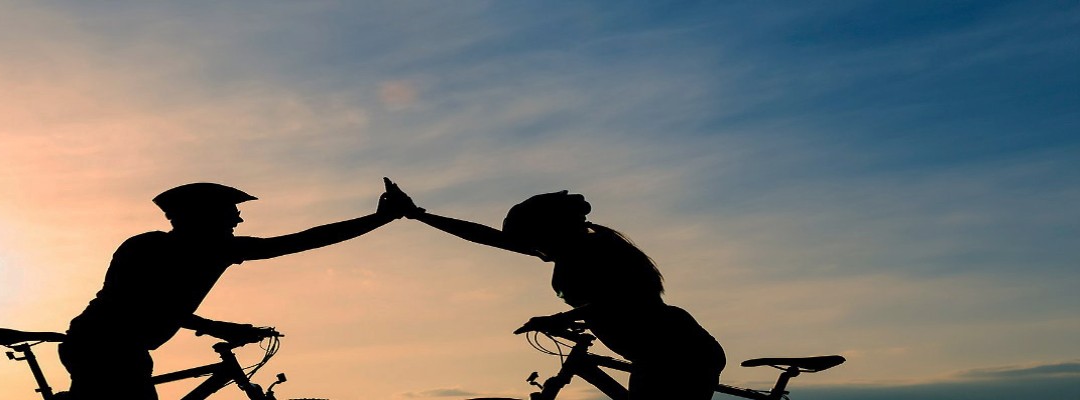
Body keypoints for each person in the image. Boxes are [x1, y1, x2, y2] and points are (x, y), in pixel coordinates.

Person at [60, 179, 420, 400]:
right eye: (230, 212)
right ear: (202, 216)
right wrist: (217, 327)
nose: (238, 218)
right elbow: (139, 306)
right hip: (102, 346)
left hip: (118, 346)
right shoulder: (148, 247)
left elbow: (301, 241)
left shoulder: (216, 249)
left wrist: (379, 219)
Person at [404, 190, 725, 400]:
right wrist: (420, 215)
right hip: (660, 354)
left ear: (551, 231)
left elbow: (621, 300)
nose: (536, 249)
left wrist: (561, 317)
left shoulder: (598, 250)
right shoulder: (570, 250)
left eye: (536, 239)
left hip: (677, 354)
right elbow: (488, 238)